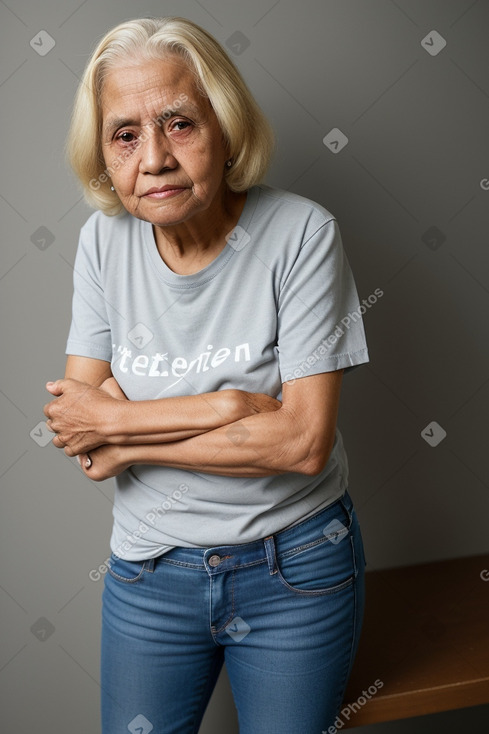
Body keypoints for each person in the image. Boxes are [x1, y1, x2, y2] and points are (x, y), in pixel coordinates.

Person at [43, 16, 369, 734]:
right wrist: (229, 408)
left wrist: (125, 425)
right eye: (124, 134)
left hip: (296, 568)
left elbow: (301, 445)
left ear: (225, 127)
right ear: (101, 152)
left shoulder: (301, 233)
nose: (153, 158)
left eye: (179, 124)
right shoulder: (103, 242)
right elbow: (81, 435)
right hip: (148, 575)